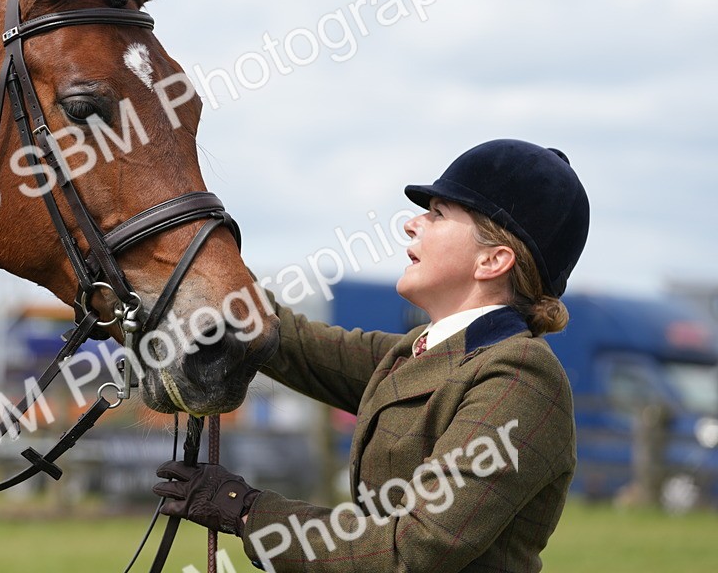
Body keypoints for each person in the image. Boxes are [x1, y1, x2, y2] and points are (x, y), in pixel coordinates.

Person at [153, 139, 589, 572]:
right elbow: (295, 344)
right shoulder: (419, 350)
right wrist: (197, 262)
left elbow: (411, 549)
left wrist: (247, 511)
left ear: (492, 261)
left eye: (437, 214)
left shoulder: (520, 378)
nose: (412, 225)